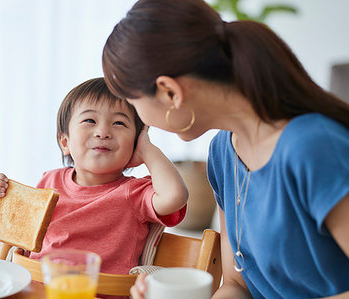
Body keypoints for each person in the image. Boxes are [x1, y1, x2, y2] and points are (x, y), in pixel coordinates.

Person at [102, 0, 349, 298]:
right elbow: (237, 285)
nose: (138, 117)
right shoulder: (222, 152)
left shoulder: (312, 147)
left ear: (170, 92)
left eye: (132, 102)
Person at [0, 77, 188, 278]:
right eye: (89, 121)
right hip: (37, 285)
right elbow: (20, 231)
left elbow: (175, 196)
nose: (102, 132)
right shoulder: (49, 182)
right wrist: (3, 197)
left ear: (135, 144)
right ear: (65, 142)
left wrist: (147, 150)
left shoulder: (134, 193)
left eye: (119, 123)